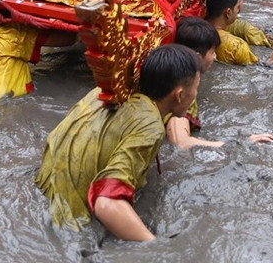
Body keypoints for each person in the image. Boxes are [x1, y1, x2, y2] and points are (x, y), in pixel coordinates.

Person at [35, 43, 202, 240]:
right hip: (70, 226)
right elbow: (106, 204)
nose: (196, 95)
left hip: (43, 188)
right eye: (196, 89)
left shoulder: (108, 90)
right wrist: (157, 248)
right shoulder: (151, 127)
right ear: (180, 94)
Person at [165, 17, 273, 150]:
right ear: (198, 57)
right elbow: (180, 142)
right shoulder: (182, 90)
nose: (215, 57)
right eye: (212, 52)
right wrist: (239, 144)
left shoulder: (175, 74)